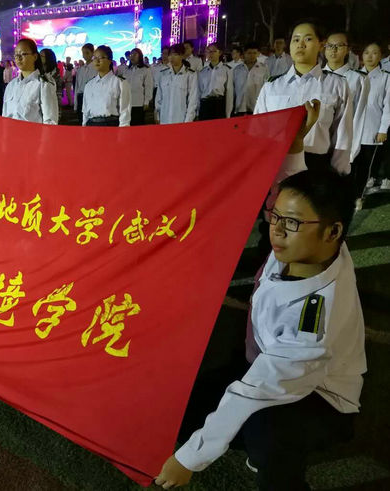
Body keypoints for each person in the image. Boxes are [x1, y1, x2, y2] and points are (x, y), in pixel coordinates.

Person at [155, 103, 365, 490]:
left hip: (319, 395)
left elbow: (257, 389)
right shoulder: (316, 244)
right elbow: (292, 189)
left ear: (333, 232)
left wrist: (189, 459)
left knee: (266, 431)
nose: (277, 230)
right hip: (262, 360)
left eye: (291, 223)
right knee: (187, 407)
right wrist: (296, 144)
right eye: (275, 217)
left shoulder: (315, 318)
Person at [255, 20, 353, 175]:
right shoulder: (272, 86)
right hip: (277, 163)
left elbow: (343, 135)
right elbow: (257, 131)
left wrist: (339, 174)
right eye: (296, 40)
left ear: (321, 45)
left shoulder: (336, 85)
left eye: (308, 39)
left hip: (316, 168)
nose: (300, 44)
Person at [322, 32, 369, 165]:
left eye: (339, 45)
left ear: (348, 49)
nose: (333, 50)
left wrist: (350, 154)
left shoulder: (358, 79)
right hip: (316, 146)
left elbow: (359, 117)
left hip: (341, 148)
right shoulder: (315, 77)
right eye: (329, 46)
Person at [352, 42, 390, 206]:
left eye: (374, 53)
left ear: (380, 56)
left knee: (364, 166)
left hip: (371, 130)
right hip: (352, 129)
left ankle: (358, 197)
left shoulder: (386, 78)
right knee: (349, 166)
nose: (370, 56)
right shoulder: (353, 76)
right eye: (366, 52)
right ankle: (347, 195)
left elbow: (388, 106)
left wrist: (383, 129)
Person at [3, 38, 58, 125]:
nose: (18, 58)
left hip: (33, 133)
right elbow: (5, 116)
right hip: (11, 132)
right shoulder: (11, 85)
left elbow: (50, 121)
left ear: (35, 57)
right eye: (16, 54)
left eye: (23, 54)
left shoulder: (43, 84)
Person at [82, 45, 130, 127]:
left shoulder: (120, 83)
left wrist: (123, 131)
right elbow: (85, 112)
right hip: (91, 126)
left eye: (101, 58)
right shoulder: (89, 85)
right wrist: (84, 128)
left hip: (111, 125)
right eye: (94, 58)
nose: (97, 61)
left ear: (109, 60)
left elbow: (125, 112)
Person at [155, 44, 198, 125]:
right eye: (170, 55)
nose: (172, 57)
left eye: (175, 54)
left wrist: (188, 120)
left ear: (182, 56)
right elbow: (159, 97)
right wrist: (158, 115)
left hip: (180, 119)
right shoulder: (163, 74)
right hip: (164, 118)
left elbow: (192, 100)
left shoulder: (190, 75)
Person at [198, 43, 233, 120]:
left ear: (219, 53)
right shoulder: (203, 72)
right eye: (208, 51)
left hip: (218, 105)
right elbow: (199, 92)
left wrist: (228, 114)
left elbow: (229, 92)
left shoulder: (226, 70)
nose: (211, 54)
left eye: (213, 51)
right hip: (205, 105)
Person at [233, 42, 269, 116]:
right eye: (249, 53)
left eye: (254, 53)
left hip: (256, 108)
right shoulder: (237, 70)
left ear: (258, 54)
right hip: (240, 108)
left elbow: (267, 89)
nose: (252, 55)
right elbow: (233, 90)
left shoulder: (263, 69)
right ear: (244, 53)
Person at [124, 48, 153, 126]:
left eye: (135, 54)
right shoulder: (127, 70)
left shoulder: (145, 70)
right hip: (126, 103)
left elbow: (148, 86)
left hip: (138, 103)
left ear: (140, 56)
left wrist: (146, 101)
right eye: (131, 54)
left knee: (137, 125)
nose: (132, 56)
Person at [74, 43, 96, 124]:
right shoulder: (80, 69)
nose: (85, 55)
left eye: (87, 53)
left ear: (93, 53)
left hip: (92, 97)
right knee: (81, 121)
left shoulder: (96, 68)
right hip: (81, 97)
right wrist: (75, 104)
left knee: (91, 121)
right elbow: (77, 87)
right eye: (83, 53)